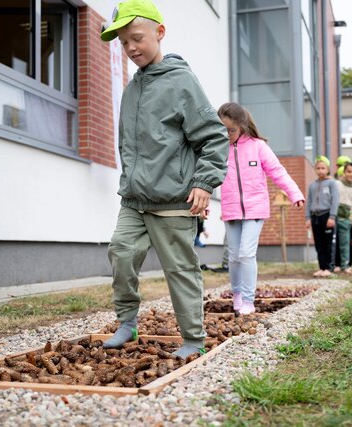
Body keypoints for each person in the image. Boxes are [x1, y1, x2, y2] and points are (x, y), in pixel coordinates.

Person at [100, 0, 229, 359]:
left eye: (136, 38)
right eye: (123, 43)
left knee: (180, 269)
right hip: (135, 200)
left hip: (174, 200)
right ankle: (126, 322)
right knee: (121, 254)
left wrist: (204, 183)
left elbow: (213, 137)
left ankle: (193, 338)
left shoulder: (182, 81)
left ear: (160, 32)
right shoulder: (133, 88)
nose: (130, 48)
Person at [217, 102, 305, 315]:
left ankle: (248, 300)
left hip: (255, 209)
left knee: (246, 253)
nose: (227, 134)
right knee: (234, 256)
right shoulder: (218, 149)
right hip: (231, 209)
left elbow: (278, 171)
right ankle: (236, 295)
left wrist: (295, 193)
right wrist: (202, 203)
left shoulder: (258, 146)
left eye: (231, 130)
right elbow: (208, 176)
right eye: (222, 129)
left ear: (242, 126)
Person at [306, 156, 339, 278]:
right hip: (315, 217)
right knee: (319, 244)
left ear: (328, 169)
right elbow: (309, 202)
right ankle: (322, 267)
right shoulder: (312, 185)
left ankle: (329, 268)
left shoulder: (332, 183)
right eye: (318, 168)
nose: (320, 170)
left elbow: (335, 200)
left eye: (323, 168)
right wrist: (307, 218)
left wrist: (332, 217)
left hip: (327, 215)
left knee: (328, 243)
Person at [335, 162, 352, 274]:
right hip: (335, 218)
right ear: (344, 172)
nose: (351, 174)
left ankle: (345, 265)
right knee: (335, 243)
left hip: (346, 221)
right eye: (349, 172)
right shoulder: (337, 184)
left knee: (345, 243)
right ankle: (336, 264)